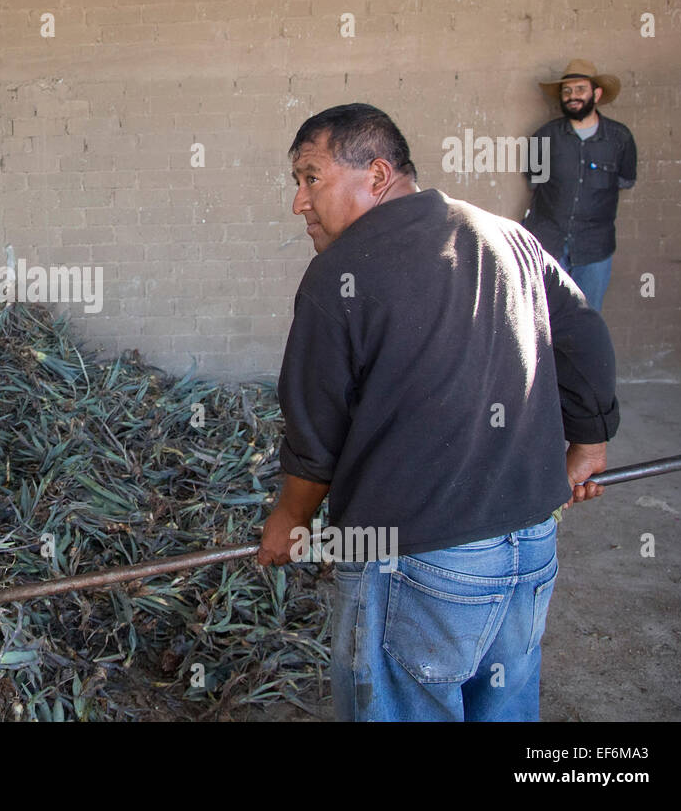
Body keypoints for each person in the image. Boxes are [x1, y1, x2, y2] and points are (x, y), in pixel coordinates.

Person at [257, 103, 619, 721]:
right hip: (529, 542)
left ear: (376, 175)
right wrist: (588, 444)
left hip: (417, 558)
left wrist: (291, 517)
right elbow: (582, 338)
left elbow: (317, 434)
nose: (299, 202)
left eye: (310, 177)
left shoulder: (338, 275)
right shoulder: (509, 237)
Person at [521, 59, 637, 311]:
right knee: (544, 318)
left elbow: (624, 181)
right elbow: (535, 183)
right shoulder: (543, 137)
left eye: (580, 89)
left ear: (596, 93)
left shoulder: (620, 138)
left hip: (594, 247)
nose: (573, 96)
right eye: (567, 91)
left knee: (587, 319)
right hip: (549, 244)